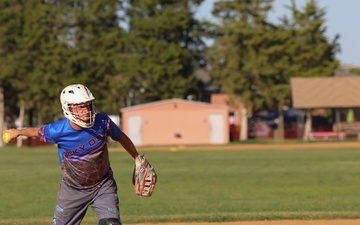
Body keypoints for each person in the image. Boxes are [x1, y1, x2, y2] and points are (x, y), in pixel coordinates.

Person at [2, 84, 141, 225]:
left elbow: (122, 138)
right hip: (72, 190)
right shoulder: (58, 130)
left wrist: (137, 158)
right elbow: (36, 132)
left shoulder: (103, 122)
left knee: (111, 223)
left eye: (88, 105)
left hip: (103, 185)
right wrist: (17, 132)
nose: (86, 110)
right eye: (80, 107)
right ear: (67, 108)